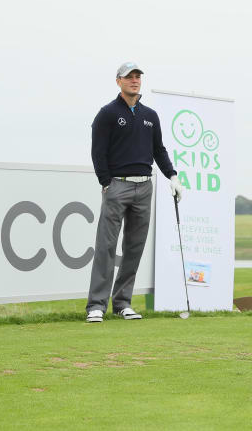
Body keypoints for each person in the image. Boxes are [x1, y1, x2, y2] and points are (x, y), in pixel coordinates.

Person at [86, 62, 184, 323]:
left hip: (144, 186)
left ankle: (122, 303)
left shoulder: (150, 115)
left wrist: (172, 176)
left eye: (137, 76)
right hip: (117, 185)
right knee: (106, 246)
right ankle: (96, 305)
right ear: (118, 81)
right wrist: (105, 182)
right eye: (129, 77)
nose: (134, 80)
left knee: (134, 247)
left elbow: (159, 150)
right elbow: (98, 151)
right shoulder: (107, 113)